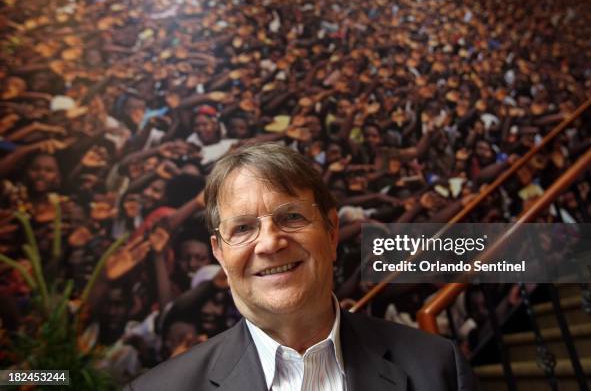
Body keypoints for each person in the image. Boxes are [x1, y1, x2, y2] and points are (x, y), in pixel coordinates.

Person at [126, 143, 475, 391]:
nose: (270, 243)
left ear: (332, 231)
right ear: (219, 252)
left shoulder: (438, 369)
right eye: (244, 228)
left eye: (291, 217)